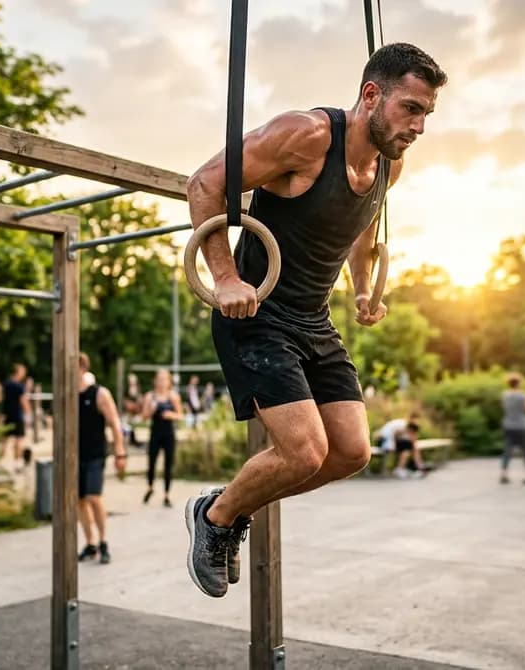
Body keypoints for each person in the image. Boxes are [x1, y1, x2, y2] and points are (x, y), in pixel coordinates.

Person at [182, 42, 446, 598]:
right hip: (257, 315)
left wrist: (362, 289)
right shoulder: (305, 135)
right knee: (304, 452)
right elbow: (204, 182)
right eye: (411, 108)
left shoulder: (389, 164)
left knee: (351, 452)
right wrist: (226, 277)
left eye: (426, 114)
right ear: (371, 94)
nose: (419, 126)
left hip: (314, 321)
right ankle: (216, 518)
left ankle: (227, 506)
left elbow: (362, 230)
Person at [76, 353, 127, 565]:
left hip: (96, 453)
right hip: (74, 455)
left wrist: (120, 452)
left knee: (93, 497)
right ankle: (90, 543)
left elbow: (115, 423)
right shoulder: (68, 394)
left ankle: (103, 540)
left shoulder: (99, 394)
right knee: (79, 500)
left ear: (81, 367)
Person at [142, 369, 183, 507]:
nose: (161, 382)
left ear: (169, 381)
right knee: (151, 461)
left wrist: (171, 415)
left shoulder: (173, 396)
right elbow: (144, 416)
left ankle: (167, 494)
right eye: (159, 379)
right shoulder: (150, 396)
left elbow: (180, 415)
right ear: (155, 381)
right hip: (155, 432)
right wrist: (151, 410)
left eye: (164, 379)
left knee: (168, 464)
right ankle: (150, 487)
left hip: (168, 433)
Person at [1, 364, 30, 467]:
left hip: (7, 414)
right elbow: (23, 401)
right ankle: (17, 462)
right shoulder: (19, 386)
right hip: (18, 415)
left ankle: (0, 461)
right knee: (19, 439)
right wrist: (29, 414)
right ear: (18, 372)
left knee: (4, 439)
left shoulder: (6, 384)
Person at [121, 374, 142, 447]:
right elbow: (125, 402)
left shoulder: (137, 391)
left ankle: (133, 440)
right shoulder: (125, 391)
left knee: (133, 424)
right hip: (126, 413)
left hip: (134, 413)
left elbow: (138, 403)